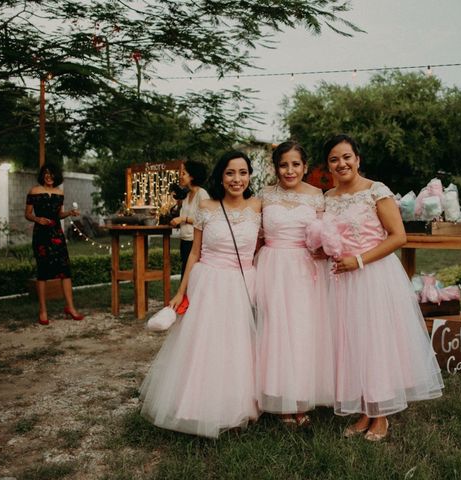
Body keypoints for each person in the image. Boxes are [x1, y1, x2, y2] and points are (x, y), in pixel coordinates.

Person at [322, 134, 443, 441]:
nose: (341, 163)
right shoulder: (327, 197)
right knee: (351, 341)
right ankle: (365, 409)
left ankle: (381, 416)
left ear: (358, 159)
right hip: (340, 279)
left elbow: (398, 236)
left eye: (347, 157)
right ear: (328, 166)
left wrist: (359, 260)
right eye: (334, 159)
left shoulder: (376, 191)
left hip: (373, 274)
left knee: (375, 340)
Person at [140, 151, 262, 438]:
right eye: (230, 173)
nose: (237, 179)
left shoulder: (258, 206)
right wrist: (180, 292)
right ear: (221, 176)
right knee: (203, 343)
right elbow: (194, 252)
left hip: (242, 282)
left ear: (249, 176)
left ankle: (239, 402)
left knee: (237, 343)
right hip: (207, 281)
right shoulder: (206, 206)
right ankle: (195, 403)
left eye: (243, 172)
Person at [255, 141, 335, 426]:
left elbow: (326, 234)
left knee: (302, 331)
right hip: (272, 267)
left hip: (305, 268)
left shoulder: (317, 196)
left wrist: (324, 248)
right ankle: (277, 397)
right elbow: (257, 235)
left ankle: (300, 400)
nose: (290, 170)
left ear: (305, 166)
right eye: (284, 165)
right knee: (275, 330)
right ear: (276, 167)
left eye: (295, 164)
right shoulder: (264, 195)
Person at [24, 163, 84, 325]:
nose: (49, 177)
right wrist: (38, 219)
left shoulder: (60, 192)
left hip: (57, 234)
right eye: (46, 174)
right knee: (43, 271)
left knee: (65, 271)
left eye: (52, 174)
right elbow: (27, 214)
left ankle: (70, 307)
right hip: (41, 235)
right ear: (42, 175)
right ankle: (43, 310)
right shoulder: (34, 191)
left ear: (56, 176)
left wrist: (70, 213)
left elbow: (59, 214)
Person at [169, 160, 210, 277]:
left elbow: (206, 221)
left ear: (192, 176)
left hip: (195, 244)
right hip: (185, 242)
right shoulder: (186, 196)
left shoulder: (202, 194)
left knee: (192, 278)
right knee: (185, 277)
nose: (180, 176)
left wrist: (183, 219)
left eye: (183, 173)